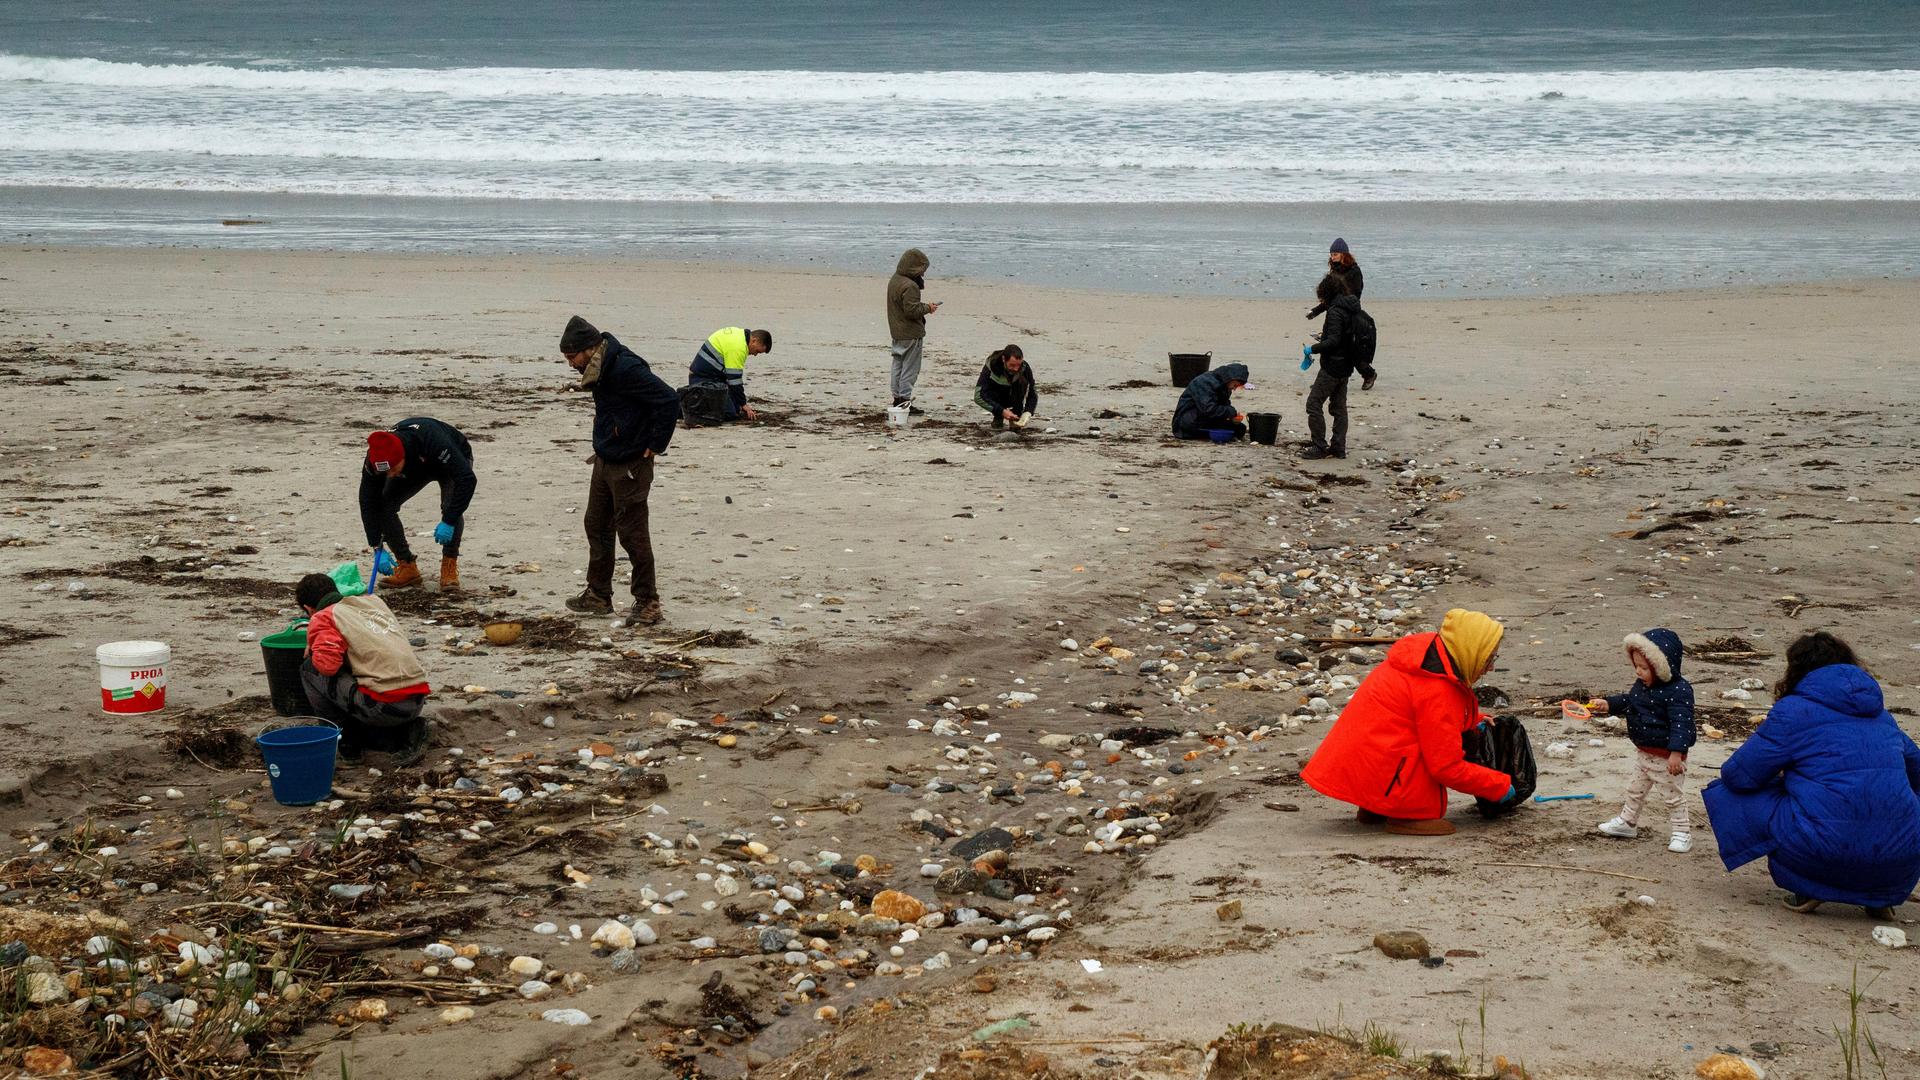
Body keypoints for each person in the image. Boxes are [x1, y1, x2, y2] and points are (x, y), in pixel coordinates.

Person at [1704, 632, 1920, 919]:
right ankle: (1878, 894)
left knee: (1727, 792)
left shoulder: (1793, 711)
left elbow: (1738, 775)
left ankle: (1810, 886)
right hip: (1899, 860)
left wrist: (1786, 777)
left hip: (1823, 853)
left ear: (1797, 670)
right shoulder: (1881, 716)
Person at [1300, 608, 1517, 836]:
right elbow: (1446, 767)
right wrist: (1498, 786)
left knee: (1407, 739)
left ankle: (1375, 806)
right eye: (1489, 658)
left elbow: (1421, 717)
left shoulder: (1424, 660)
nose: (1491, 666)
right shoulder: (1437, 688)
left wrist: (1473, 720)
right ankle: (1408, 815)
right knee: (1430, 755)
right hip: (1383, 762)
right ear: (1471, 651)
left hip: (1361, 763)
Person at [558, 315, 681, 626]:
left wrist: (656, 443)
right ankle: (598, 595)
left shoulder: (626, 368)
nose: (571, 365)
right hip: (605, 458)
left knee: (632, 532)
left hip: (630, 463)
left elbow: (669, 400)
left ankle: (648, 601)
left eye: (572, 357)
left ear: (588, 348)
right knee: (596, 524)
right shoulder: (599, 367)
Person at [295, 572, 429, 765]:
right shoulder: (373, 602)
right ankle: (404, 733)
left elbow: (328, 667)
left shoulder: (323, 617)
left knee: (309, 669)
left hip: (384, 706)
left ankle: (344, 742)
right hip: (416, 699)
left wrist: (314, 645)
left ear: (309, 609)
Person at [1590, 628, 1698, 853]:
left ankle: (1682, 832)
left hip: (1667, 757)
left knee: (1672, 796)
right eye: (1636, 666)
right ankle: (1627, 822)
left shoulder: (1678, 691)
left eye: (1644, 668)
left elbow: (1682, 724)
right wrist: (1609, 704)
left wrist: (1676, 753)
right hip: (1644, 752)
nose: (1638, 672)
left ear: (1661, 667)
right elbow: (1630, 701)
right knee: (1635, 790)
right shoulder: (1642, 686)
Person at [359, 418, 476, 591]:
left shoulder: (432, 440)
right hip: (413, 467)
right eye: (384, 472)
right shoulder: (375, 460)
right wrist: (376, 546)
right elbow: (368, 501)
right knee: (384, 506)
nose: (389, 475)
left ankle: (449, 566)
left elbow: (467, 479)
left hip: (450, 459)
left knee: (450, 505)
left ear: (402, 456)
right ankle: (407, 566)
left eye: (392, 469)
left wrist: (449, 521)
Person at [1300, 274, 1374, 460]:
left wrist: (1313, 348)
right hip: (1347, 365)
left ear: (1327, 293)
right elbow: (1344, 337)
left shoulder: (1335, 311)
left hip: (1333, 366)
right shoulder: (1351, 307)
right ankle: (1338, 447)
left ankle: (1319, 446)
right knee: (1339, 408)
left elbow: (1333, 341)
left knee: (1313, 404)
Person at [683, 326, 773, 425]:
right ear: (754, 341)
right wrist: (743, 404)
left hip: (714, 377)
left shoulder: (739, 334)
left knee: (735, 408)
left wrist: (739, 403)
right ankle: (686, 405)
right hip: (701, 379)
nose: (755, 355)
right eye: (758, 351)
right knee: (729, 413)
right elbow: (735, 380)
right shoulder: (738, 348)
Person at [886, 248, 939, 412]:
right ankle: (904, 401)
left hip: (897, 330)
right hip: (910, 333)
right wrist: (928, 308)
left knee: (898, 365)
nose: (922, 274)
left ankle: (897, 399)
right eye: (922, 270)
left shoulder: (895, 279)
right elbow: (911, 311)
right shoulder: (910, 286)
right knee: (910, 368)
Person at [1171, 362, 1249, 441]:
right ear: (1231, 378)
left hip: (1205, 418)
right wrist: (1231, 411)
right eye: (1235, 385)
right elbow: (1208, 409)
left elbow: (1224, 405)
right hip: (1188, 423)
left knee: (1240, 429)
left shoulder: (1225, 385)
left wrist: (1233, 419)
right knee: (1234, 430)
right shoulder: (1204, 382)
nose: (1234, 388)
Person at [974, 345, 1037, 430]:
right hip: (996, 398)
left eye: (1019, 364)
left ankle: (1016, 419)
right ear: (1004, 359)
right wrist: (1001, 411)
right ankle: (998, 418)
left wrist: (1028, 412)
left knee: (1021, 384)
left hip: (1016, 398)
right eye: (1012, 365)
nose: (1016, 368)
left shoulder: (1025, 367)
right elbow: (978, 396)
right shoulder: (991, 366)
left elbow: (1032, 393)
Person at [1307, 237, 1363, 318]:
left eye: (1335, 254)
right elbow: (1330, 297)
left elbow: (1355, 297)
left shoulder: (1355, 271)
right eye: (1331, 255)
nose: (1332, 257)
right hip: (1334, 310)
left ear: (1344, 255)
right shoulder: (1334, 272)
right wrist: (1315, 311)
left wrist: (1334, 305)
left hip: (1350, 312)